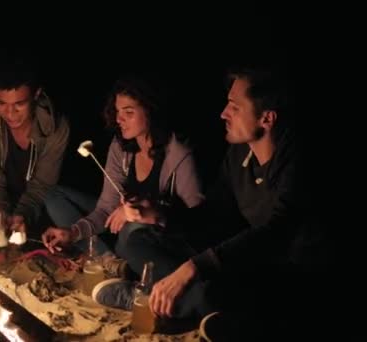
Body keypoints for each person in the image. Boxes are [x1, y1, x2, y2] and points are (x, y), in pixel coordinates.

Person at [93, 66, 328, 339]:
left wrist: (194, 267)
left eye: (234, 107)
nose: (223, 113)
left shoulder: (299, 161)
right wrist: (159, 215)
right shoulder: (239, 153)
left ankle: (167, 301)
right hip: (245, 262)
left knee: (220, 289)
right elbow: (213, 216)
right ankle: (191, 305)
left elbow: (276, 232)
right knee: (135, 239)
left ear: (267, 118)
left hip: (292, 277)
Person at [41, 75, 205, 274]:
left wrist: (140, 213)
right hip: (121, 229)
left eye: (128, 112)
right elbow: (105, 209)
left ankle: (121, 264)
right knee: (53, 195)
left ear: (151, 110)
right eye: (118, 111)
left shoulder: (179, 155)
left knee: (130, 229)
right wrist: (73, 232)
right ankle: (110, 261)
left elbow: (197, 223)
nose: (119, 119)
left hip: (161, 237)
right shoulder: (121, 147)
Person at [0, 50, 70, 239]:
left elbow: (43, 184)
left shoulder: (55, 127)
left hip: (38, 202)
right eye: (2, 103)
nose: (10, 113)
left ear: (36, 94)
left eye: (19, 104)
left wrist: (22, 214)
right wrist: (0, 212)